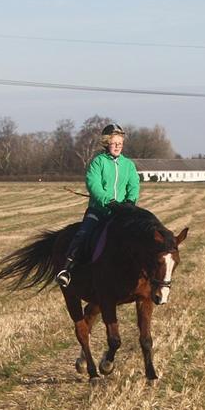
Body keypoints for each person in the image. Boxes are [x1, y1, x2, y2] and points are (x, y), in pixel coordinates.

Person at [55, 123, 140, 288]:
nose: (117, 147)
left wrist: (130, 202)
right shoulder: (97, 162)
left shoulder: (128, 165)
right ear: (106, 143)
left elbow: (134, 184)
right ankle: (67, 270)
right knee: (83, 233)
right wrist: (109, 201)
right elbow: (93, 185)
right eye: (114, 143)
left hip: (122, 212)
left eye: (120, 144)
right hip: (98, 210)